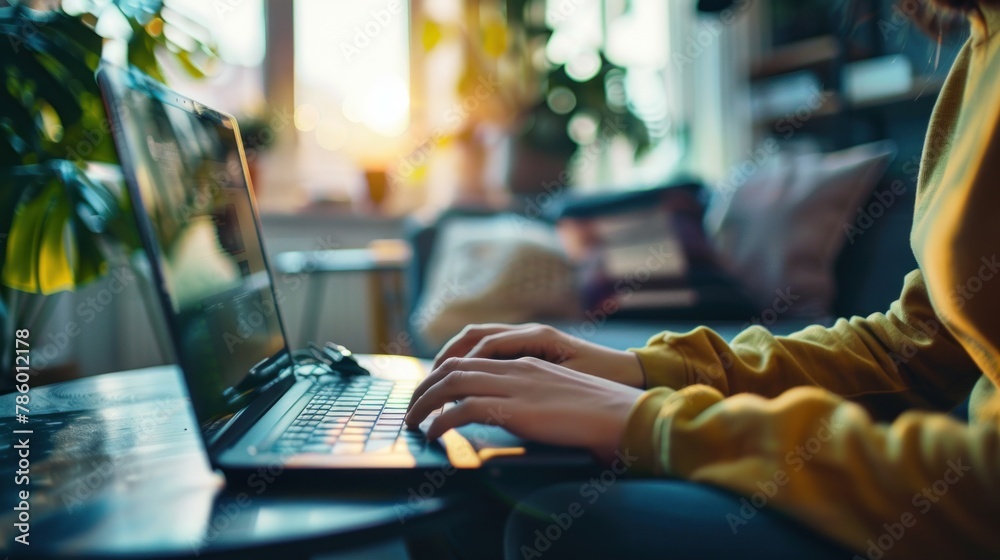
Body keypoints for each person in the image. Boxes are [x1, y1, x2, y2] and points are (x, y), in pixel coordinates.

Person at [405, 0, 1000, 558]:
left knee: (561, 517)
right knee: (487, 474)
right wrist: (642, 369)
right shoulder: (978, 49)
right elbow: (912, 347)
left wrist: (656, 421)